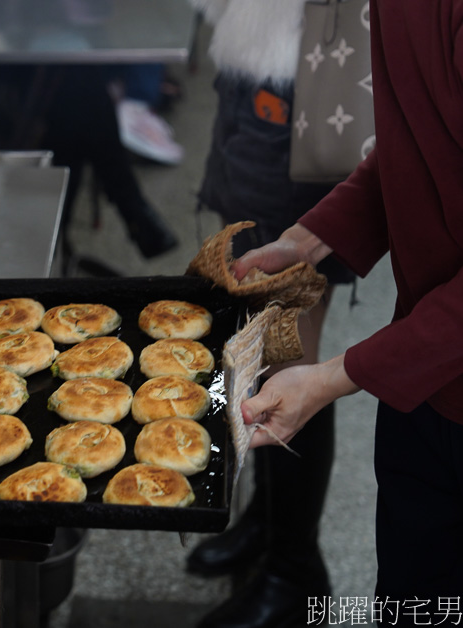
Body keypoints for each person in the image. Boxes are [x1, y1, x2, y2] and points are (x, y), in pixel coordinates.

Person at [225, 0, 463, 625]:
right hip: (425, 387)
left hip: (438, 355)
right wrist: (306, 241)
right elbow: (415, 142)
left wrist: (333, 378)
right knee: (415, 603)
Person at [181, 1, 358, 626]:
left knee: (290, 354)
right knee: (253, 342)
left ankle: (296, 569)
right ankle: (267, 520)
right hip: (252, 54)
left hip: (308, 77)